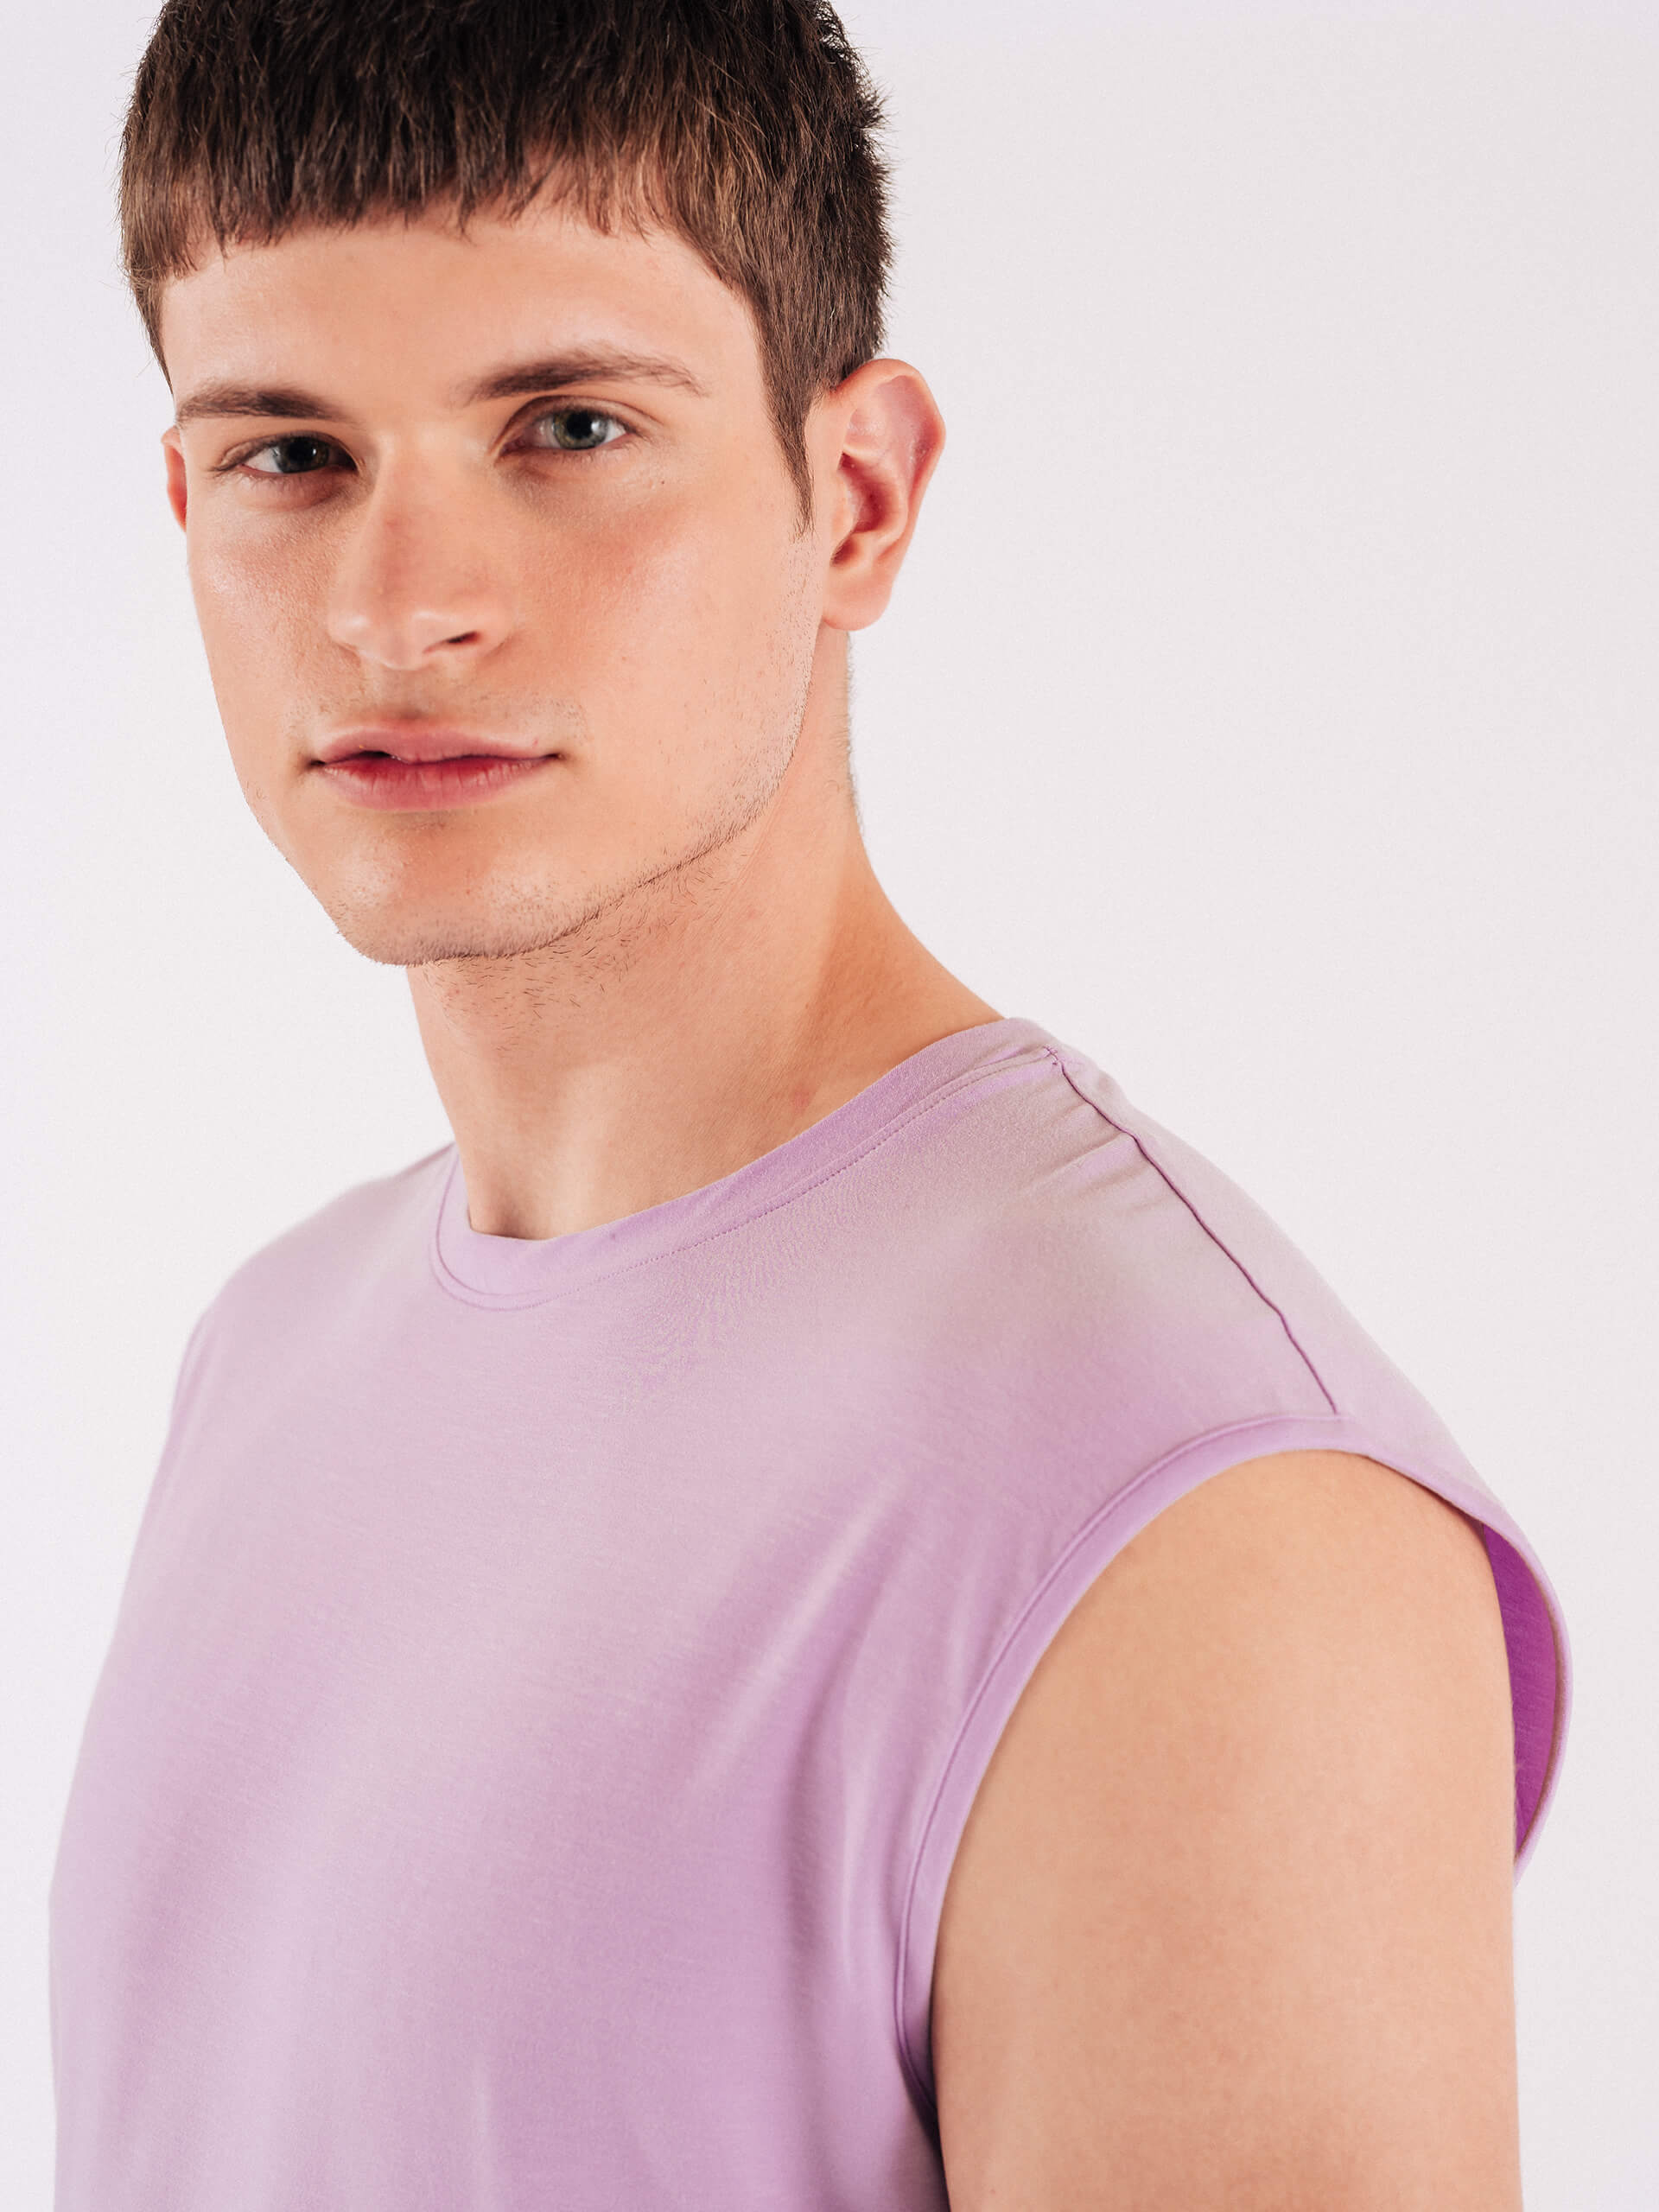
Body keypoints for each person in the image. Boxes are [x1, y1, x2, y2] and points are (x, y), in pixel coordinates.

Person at [48, 2, 1570, 2206]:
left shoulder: (1210, 1517)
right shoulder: (269, 1345)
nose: (401, 607)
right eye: (295, 453)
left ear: (854, 498)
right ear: (187, 503)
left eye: (569, 426)